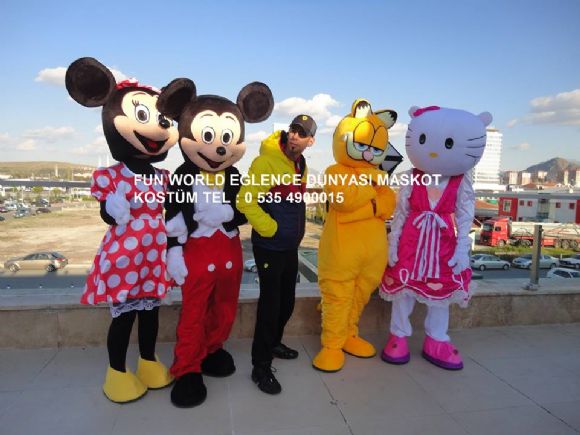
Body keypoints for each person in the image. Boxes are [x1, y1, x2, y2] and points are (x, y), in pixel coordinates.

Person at [237, 114, 316, 394]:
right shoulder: (266, 162)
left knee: (287, 302)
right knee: (270, 307)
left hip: (289, 246)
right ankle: (260, 366)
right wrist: (270, 228)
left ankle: (273, 344)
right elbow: (245, 200)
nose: (294, 135)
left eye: (301, 133)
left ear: (310, 141)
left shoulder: (300, 164)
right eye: (293, 129)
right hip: (269, 246)